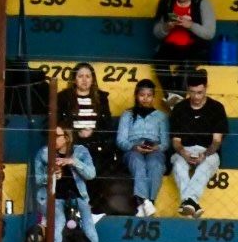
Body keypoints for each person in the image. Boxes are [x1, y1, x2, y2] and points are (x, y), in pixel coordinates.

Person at [33, 125, 98, 242]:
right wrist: (51, 176)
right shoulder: (43, 153)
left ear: (67, 138)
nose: (52, 139)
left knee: (89, 227)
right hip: (51, 198)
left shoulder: (80, 151)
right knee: (59, 220)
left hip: (77, 196)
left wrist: (73, 161)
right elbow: (38, 179)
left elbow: (91, 174)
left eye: (56, 136)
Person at [167, 70, 227, 218]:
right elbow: (176, 141)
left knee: (206, 165)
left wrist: (204, 154)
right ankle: (192, 204)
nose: (196, 97)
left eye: (200, 92)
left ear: (206, 88)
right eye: (192, 92)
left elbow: (217, 141)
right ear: (188, 89)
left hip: (208, 151)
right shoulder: (180, 108)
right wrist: (183, 153)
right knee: (179, 166)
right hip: (183, 150)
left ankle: (188, 202)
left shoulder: (216, 108)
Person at [151, 0, 215, 102]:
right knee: (159, 61)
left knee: (187, 64)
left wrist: (190, 25)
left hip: (194, 47)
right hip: (171, 47)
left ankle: (177, 99)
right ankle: (171, 97)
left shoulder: (201, 1)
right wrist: (167, 27)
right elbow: (156, 32)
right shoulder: (168, 2)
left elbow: (209, 33)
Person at [58, 63, 115, 210]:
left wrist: (93, 132)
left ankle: (94, 207)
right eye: (80, 76)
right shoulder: (64, 97)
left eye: (88, 76)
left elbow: (107, 124)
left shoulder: (101, 98)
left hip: (96, 144)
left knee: (99, 165)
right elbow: (59, 123)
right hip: (73, 143)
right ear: (74, 79)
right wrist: (77, 133)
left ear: (93, 79)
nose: (84, 80)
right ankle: (77, 205)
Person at [116, 79, 168, 219]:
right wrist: (134, 147)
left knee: (155, 165)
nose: (145, 99)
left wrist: (157, 147)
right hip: (133, 150)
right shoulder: (127, 115)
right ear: (136, 95)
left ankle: (147, 202)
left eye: (149, 95)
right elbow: (120, 140)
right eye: (142, 95)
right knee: (138, 162)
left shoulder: (161, 117)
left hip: (154, 150)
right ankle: (145, 201)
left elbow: (165, 143)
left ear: (153, 97)